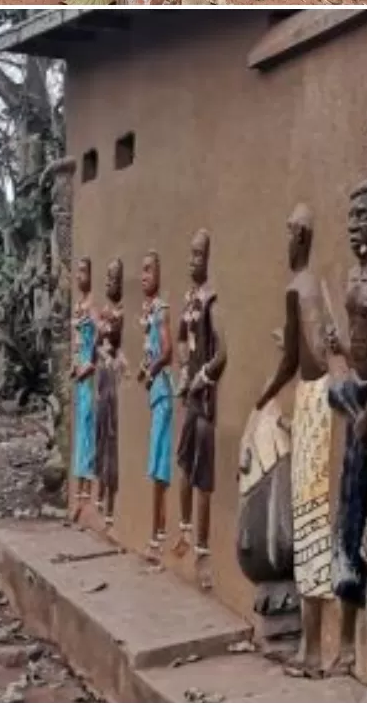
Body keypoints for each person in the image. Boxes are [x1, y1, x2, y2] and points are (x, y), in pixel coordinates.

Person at [255, 204, 335, 678]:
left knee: (308, 520)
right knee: (313, 518)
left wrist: (261, 398)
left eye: (289, 233)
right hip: (317, 399)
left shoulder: (298, 288)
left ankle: (311, 648)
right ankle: (319, 644)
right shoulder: (310, 289)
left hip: (314, 402)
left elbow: (304, 357)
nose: (286, 242)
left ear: (299, 238)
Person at [324, 181, 367, 676]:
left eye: (362, 215)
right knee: (347, 519)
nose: (354, 225)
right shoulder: (354, 273)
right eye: (350, 217)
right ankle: (344, 642)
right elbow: (359, 344)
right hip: (355, 397)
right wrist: (338, 346)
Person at [173, 230, 225, 584]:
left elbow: (223, 352)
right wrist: (182, 367)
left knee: (203, 474)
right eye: (190, 255)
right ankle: (185, 531)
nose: (194, 261)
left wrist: (202, 376)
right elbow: (180, 339)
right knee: (183, 462)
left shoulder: (210, 302)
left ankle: (203, 551)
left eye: (199, 255)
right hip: (188, 398)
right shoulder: (189, 300)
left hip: (204, 400)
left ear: (208, 259)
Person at [137, 251, 174, 561]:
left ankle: (158, 534)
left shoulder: (161, 310)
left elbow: (167, 350)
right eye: (143, 270)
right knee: (156, 461)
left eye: (149, 270)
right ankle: (156, 532)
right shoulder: (150, 311)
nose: (144, 275)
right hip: (155, 392)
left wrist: (150, 372)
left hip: (163, 391)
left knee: (159, 463)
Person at [94, 258, 125, 535]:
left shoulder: (120, 315)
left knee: (111, 441)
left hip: (112, 385)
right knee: (100, 438)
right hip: (102, 383)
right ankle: (100, 497)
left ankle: (111, 509)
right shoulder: (105, 314)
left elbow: (114, 347)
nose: (109, 284)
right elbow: (96, 348)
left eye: (114, 279)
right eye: (107, 279)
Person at [71, 256, 98, 510]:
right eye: (77, 272)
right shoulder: (79, 305)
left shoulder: (91, 307)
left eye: (83, 271)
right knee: (80, 429)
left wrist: (89, 365)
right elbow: (77, 342)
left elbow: (101, 340)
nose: (80, 276)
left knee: (88, 429)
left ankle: (87, 490)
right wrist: (74, 364)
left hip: (88, 376)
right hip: (79, 376)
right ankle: (79, 488)